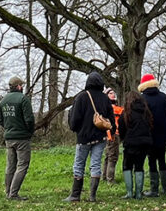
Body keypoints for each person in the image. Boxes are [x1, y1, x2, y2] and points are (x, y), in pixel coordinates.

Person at [65, 71, 115, 202]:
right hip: (100, 137)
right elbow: (111, 119)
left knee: (79, 164)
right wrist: (112, 132)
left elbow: (75, 119)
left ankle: (75, 195)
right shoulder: (105, 98)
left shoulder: (81, 97)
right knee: (95, 165)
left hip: (84, 137)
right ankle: (92, 196)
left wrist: (75, 129)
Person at [0, 75, 35, 200]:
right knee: (22, 165)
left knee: (10, 166)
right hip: (22, 138)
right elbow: (29, 120)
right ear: (19, 86)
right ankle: (13, 194)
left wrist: (9, 129)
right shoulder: (23, 99)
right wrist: (29, 132)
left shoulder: (3, 101)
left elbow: (0, 121)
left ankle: (8, 192)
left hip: (9, 137)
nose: (22, 87)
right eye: (22, 85)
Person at [138, 73, 166, 197]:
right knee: (162, 160)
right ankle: (165, 188)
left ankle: (154, 189)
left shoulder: (141, 99)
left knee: (152, 161)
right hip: (163, 134)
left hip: (148, 135)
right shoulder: (164, 97)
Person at [117, 90, 153, 199]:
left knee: (127, 166)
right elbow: (150, 127)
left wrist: (123, 139)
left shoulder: (126, 113)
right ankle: (138, 193)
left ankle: (129, 192)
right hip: (144, 143)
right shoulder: (146, 112)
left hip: (130, 143)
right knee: (139, 166)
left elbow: (121, 128)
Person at [102, 87, 124, 185]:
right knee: (113, 156)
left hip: (106, 134)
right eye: (110, 93)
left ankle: (104, 176)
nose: (113, 94)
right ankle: (110, 180)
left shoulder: (103, 108)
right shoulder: (115, 109)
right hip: (114, 134)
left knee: (108, 156)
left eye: (113, 92)